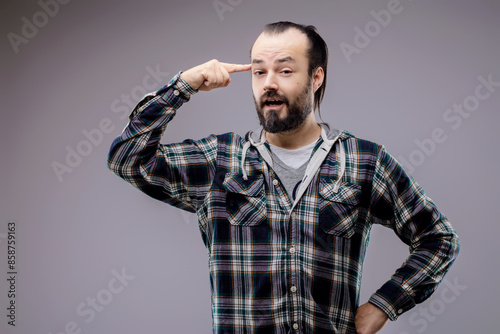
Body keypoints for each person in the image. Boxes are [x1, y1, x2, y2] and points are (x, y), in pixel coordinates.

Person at [107, 21, 459, 334]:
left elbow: (438, 238)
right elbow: (127, 158)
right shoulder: (220, 160)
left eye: (285, 71)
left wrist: (384, 305)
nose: (269, 84)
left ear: (316, 77)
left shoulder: (365, 161)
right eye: (259, 72)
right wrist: (183, 85)